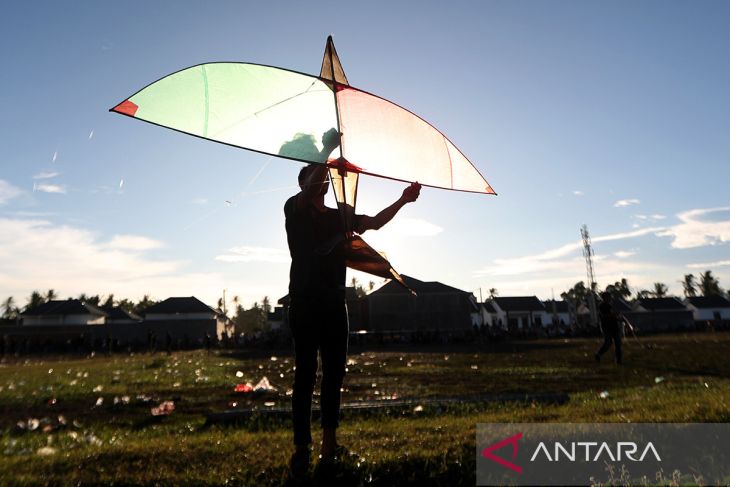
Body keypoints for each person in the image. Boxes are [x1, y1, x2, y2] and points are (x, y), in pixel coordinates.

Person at [284, 129, 420, 478]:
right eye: (317, 176)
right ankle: (302, 448)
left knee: (334, 375)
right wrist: (326, 151)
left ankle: (329, 447)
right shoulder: (293, 208)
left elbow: (373, 223)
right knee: (304, 375)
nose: (323, 180)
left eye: (325, 177)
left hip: (334, 304)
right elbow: (308, 186)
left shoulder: (340, 217)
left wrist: (403, 199)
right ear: (305, 183)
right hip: (303, 302)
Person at [594, 292, 625, 365]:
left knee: (617, 343)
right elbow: (605, 316)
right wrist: (615, 316)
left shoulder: (609, 306)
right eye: (608, 297)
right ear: (604, 298)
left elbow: (612, 316)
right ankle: (598, 354)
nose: (610, 298)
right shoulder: (602, 306)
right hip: (607, 327)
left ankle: (618, 360)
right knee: (608, 342)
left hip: (614, 327)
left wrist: (618, 318)